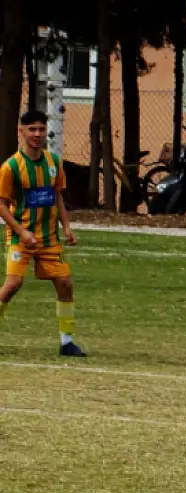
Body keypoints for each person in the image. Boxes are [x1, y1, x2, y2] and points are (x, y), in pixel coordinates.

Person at [0, 110, 83, 356]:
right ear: (21, 131)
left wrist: (66, 226)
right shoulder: (11, 167)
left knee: (65, 284)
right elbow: (2, 205)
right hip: (20, 237)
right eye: (32, 129)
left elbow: (57, 196)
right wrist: (21, 231)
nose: (37, 134)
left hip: (48, 239)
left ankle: (67, 341)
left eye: (41, 129)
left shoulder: (54, 162)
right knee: (13, 284)